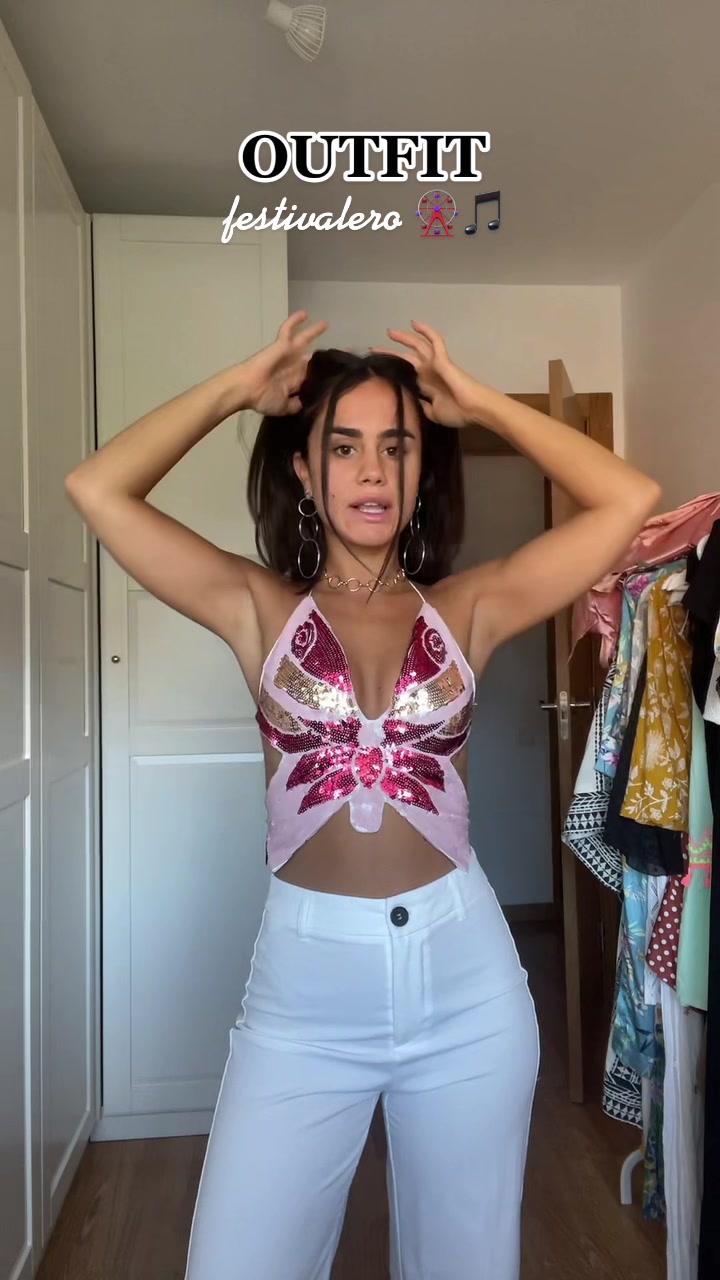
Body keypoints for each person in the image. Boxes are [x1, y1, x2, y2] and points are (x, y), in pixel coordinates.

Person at [65, 310, 662, 1279]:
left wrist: (480, 404)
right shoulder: (257, 607)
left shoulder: (470, 606)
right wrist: (236, 391)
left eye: (398, 445)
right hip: (303, 999)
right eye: (344, 447)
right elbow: (96, 488)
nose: (374, 470)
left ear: (423, 470)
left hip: (467, 986)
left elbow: (630, 498)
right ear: (305, 470)